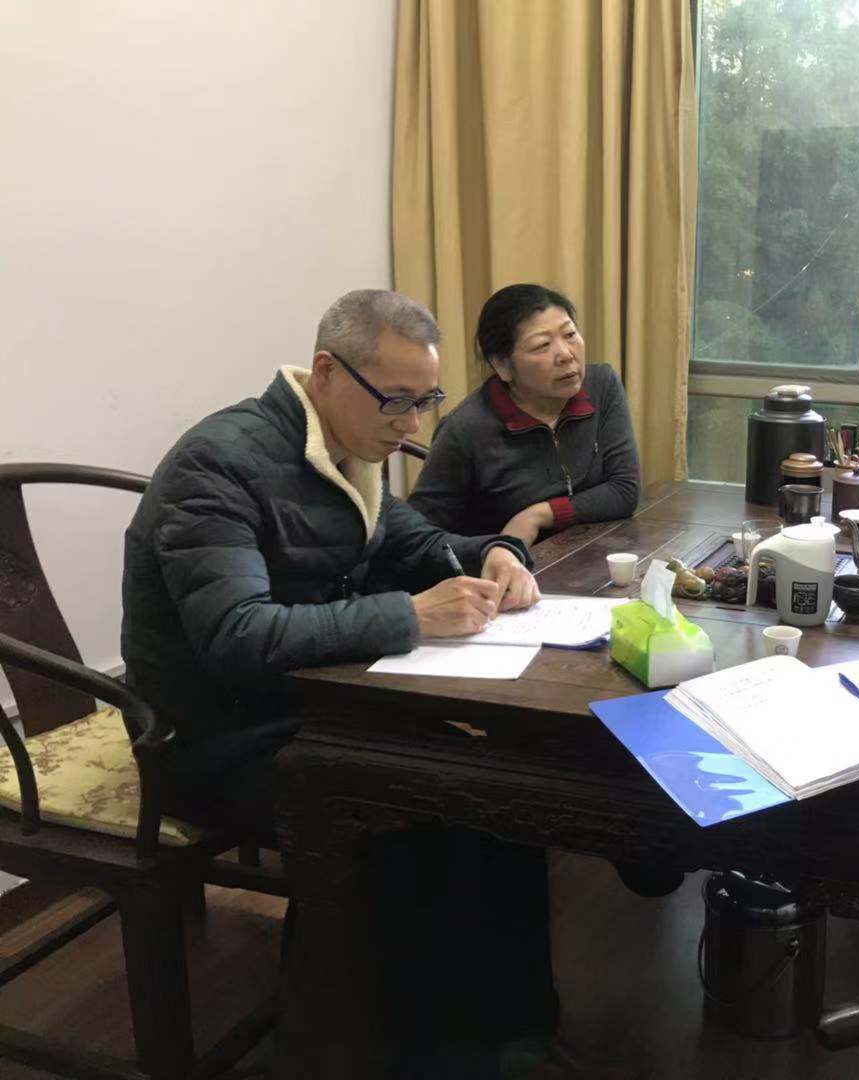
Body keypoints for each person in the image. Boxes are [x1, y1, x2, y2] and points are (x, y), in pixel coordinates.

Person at [121, 290, 615, 1079]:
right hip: (216, 737)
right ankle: (408, 1050)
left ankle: (510, 1028)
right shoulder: (218, 465)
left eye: (426, 401)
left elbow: (413, 540)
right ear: (326, 372)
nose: (412, 424)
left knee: (502, 790)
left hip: (319, 704)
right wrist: (409, 615)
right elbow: (237, 635)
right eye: (398, 401)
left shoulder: (348, 442)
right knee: (423, 814)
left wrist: (493, 552)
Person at [408, 284, 640, 544]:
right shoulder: (464, 429)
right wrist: (490, 551)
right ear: (502, 366)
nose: (566, 354)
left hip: (589, 555)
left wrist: (537, 515)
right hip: (505, 564)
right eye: (542, 345)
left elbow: (624, 490)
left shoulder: (601, 385)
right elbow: (419, 537)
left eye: (570, 334)